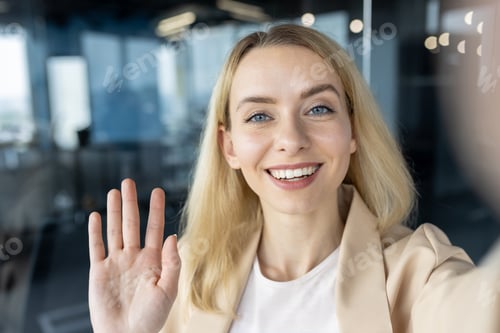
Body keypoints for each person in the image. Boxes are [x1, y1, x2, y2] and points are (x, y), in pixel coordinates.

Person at [88, 24, 500, 333]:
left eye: (318, 109)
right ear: (229, 146)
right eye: (260, 116)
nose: (290, 140)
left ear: (353, 131)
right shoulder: (188, 272)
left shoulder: (419, 270)